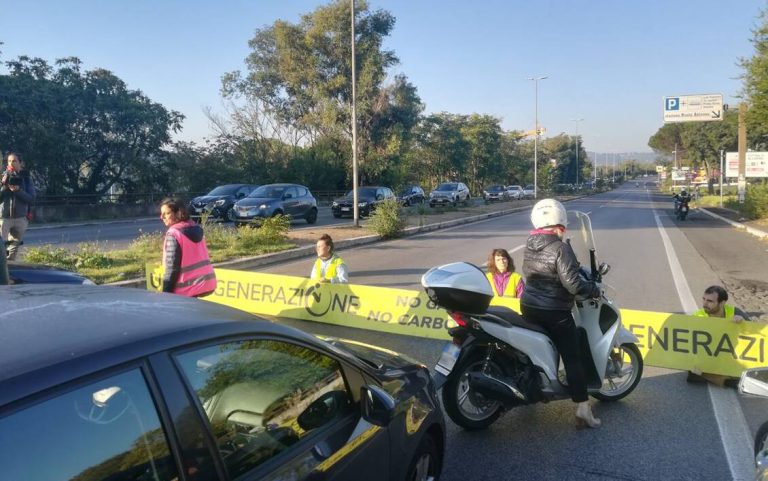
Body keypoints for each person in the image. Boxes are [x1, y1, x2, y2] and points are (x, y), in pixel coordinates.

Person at [520, 199, 603, 429]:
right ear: (559, 225)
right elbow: (574, 285)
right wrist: (594, 289)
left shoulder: (530, 242)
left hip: (529, 306)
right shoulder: (560, 247)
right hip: (554, 311)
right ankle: (583, 409)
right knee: (573, 357)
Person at [687, 286, 750, 387]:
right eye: (704, 299)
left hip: (730, 353)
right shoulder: (697, 317)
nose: (704, 304)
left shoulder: (734, 312)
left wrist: (742, 323)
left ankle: (706, 375)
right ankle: (726, 381)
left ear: (722, 303)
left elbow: (753, 334)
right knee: (695, 369)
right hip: (709, 355)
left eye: (710, 301)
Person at [160, 198, 216, 297]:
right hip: (206, 283)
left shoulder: (174, 233)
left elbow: (172, 269)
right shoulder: (195, 228)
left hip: (186, 288)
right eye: (162, 213)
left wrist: (165, 295)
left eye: (166, 213)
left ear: (179, 213)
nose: (162, 217)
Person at [0, 152, 36, 260]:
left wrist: (18, 191)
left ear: (21, 163)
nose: (11, 163)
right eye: (9, 161)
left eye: (14, 161)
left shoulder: (26, 179)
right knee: (1, 247)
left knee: (14, 249)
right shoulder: (2, 177)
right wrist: (3, 185)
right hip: (4, 218)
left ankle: (10, 271)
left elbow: (32, 199)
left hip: (20, 218)